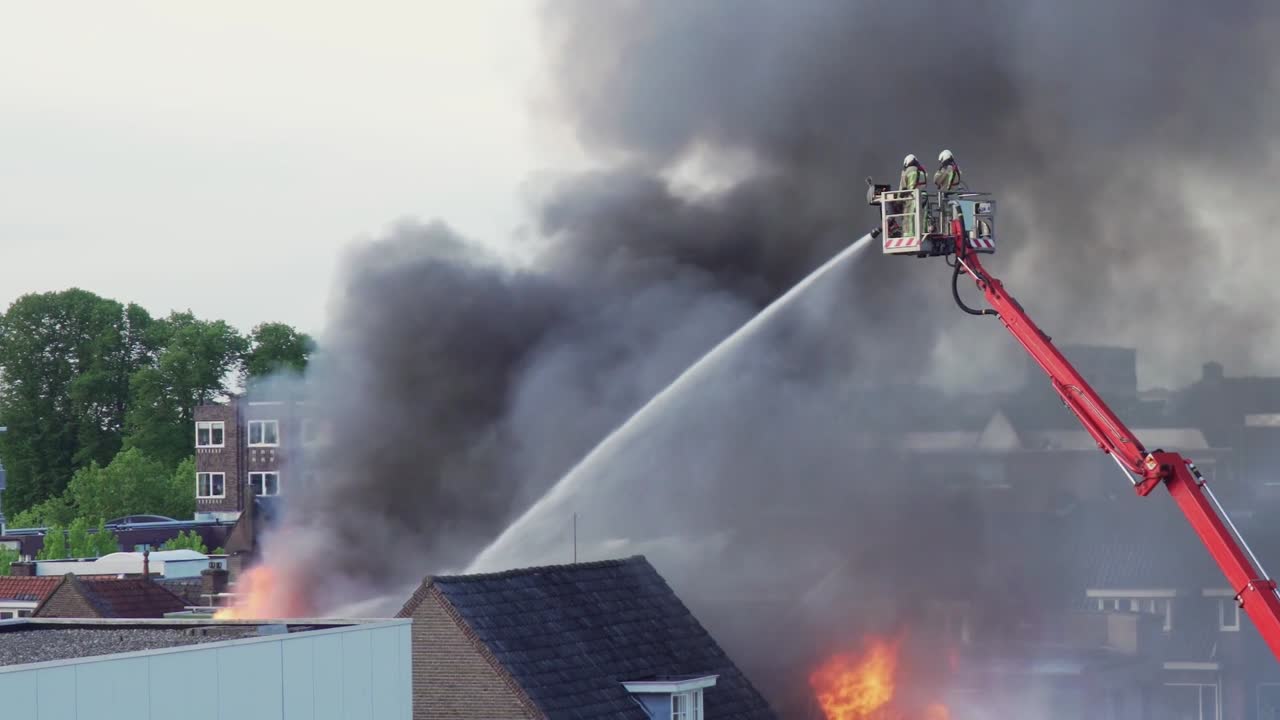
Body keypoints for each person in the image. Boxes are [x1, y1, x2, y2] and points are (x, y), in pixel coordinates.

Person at [897, 154, 926, 237]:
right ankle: (921, 232)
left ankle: (908, 234)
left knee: (908, 216)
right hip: (923, 197)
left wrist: (899, 200)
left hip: (912, 197)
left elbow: (902, 187)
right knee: (921, 216)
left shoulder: (907, 171)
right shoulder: (922, 171)